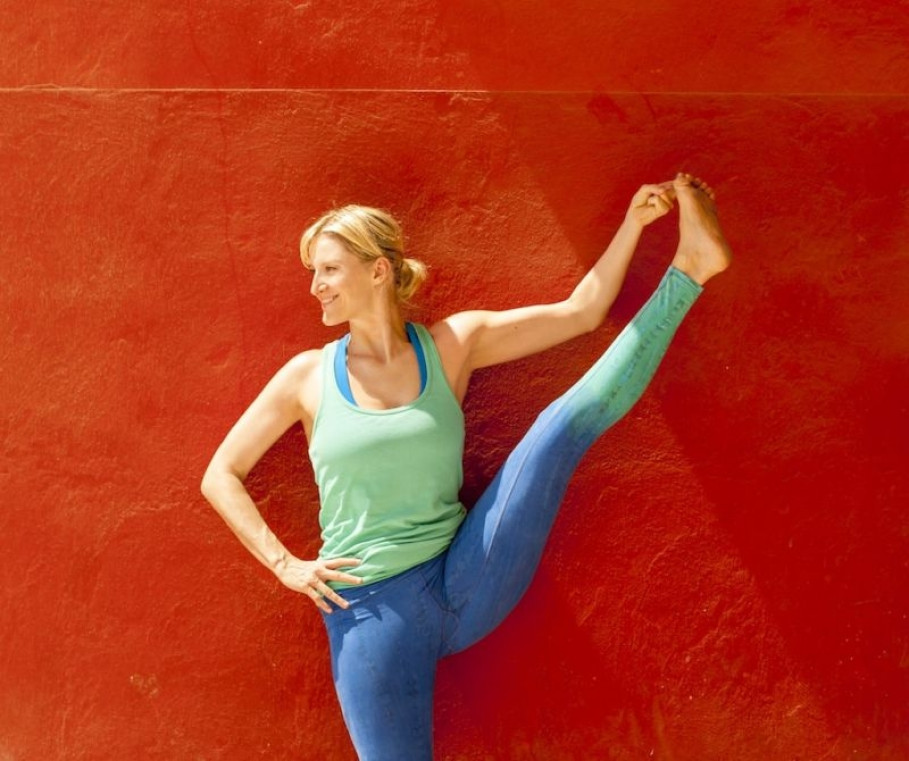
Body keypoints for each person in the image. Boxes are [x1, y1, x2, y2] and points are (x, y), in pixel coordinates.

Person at [201, 173, 732, 760]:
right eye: (313, 273)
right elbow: (221, 472)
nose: (315, 286)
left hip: (466, 572)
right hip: (371, 613)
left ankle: (690, 270)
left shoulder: (452, 345)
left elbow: (582, 312)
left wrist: (634, 221)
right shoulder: (306, 377)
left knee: (554, 432)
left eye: (327, 269)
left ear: (377, 271)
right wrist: (287, 566)